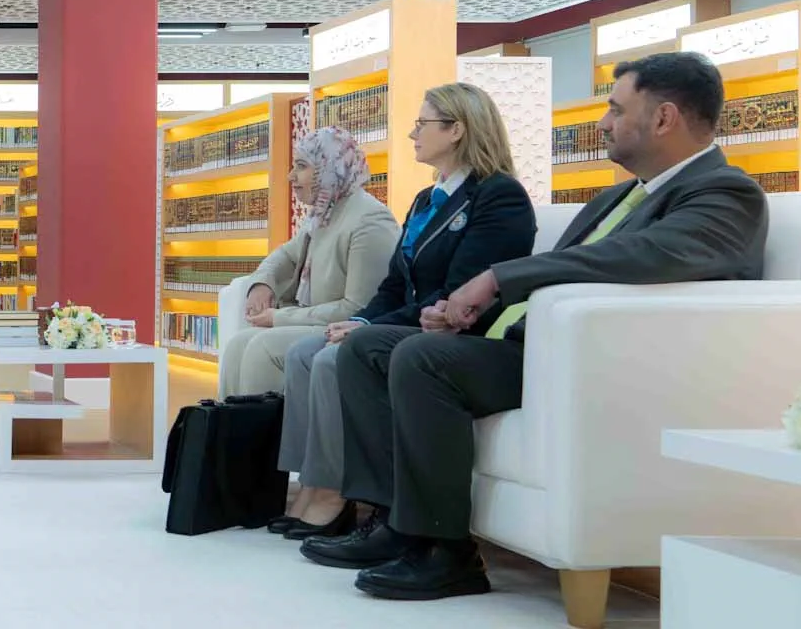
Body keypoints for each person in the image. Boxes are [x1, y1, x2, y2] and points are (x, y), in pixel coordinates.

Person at [310, 52, 768, 604]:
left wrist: (497, 278)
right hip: (529, 344)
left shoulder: (726, 192)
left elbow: (646, 254)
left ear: (664, 118)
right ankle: (392, 521)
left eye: (616, 109)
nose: (603, 123)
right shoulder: (620, 196)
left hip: (590, 363)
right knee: (368, 346)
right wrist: (462, 312)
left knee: (421, 358)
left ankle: (446, 553)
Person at [275, 83, 535, 542]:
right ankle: (314, 483)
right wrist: (362, 320)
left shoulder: (498, 196)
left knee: (332, 358)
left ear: (456, 130)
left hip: (454, 333)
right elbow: (394, 284)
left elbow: (457, 295)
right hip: (407, 322)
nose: (413, 133)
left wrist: (368, 327)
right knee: (303, 353)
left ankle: (351, 498)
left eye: (422, 124)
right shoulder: (424, 200)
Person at [219, 127, 396, 399]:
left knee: (262, 348)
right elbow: (286, 255)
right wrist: (262, 283)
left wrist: (278, 317)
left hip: (342, 329)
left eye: (301, 166)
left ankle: (269, 428)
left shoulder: (370, 221)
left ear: (330, 169)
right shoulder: (321, 214)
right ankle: (229, 426)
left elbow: (358, 308)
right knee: (236, 346)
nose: (291, 176)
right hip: (314, 322)